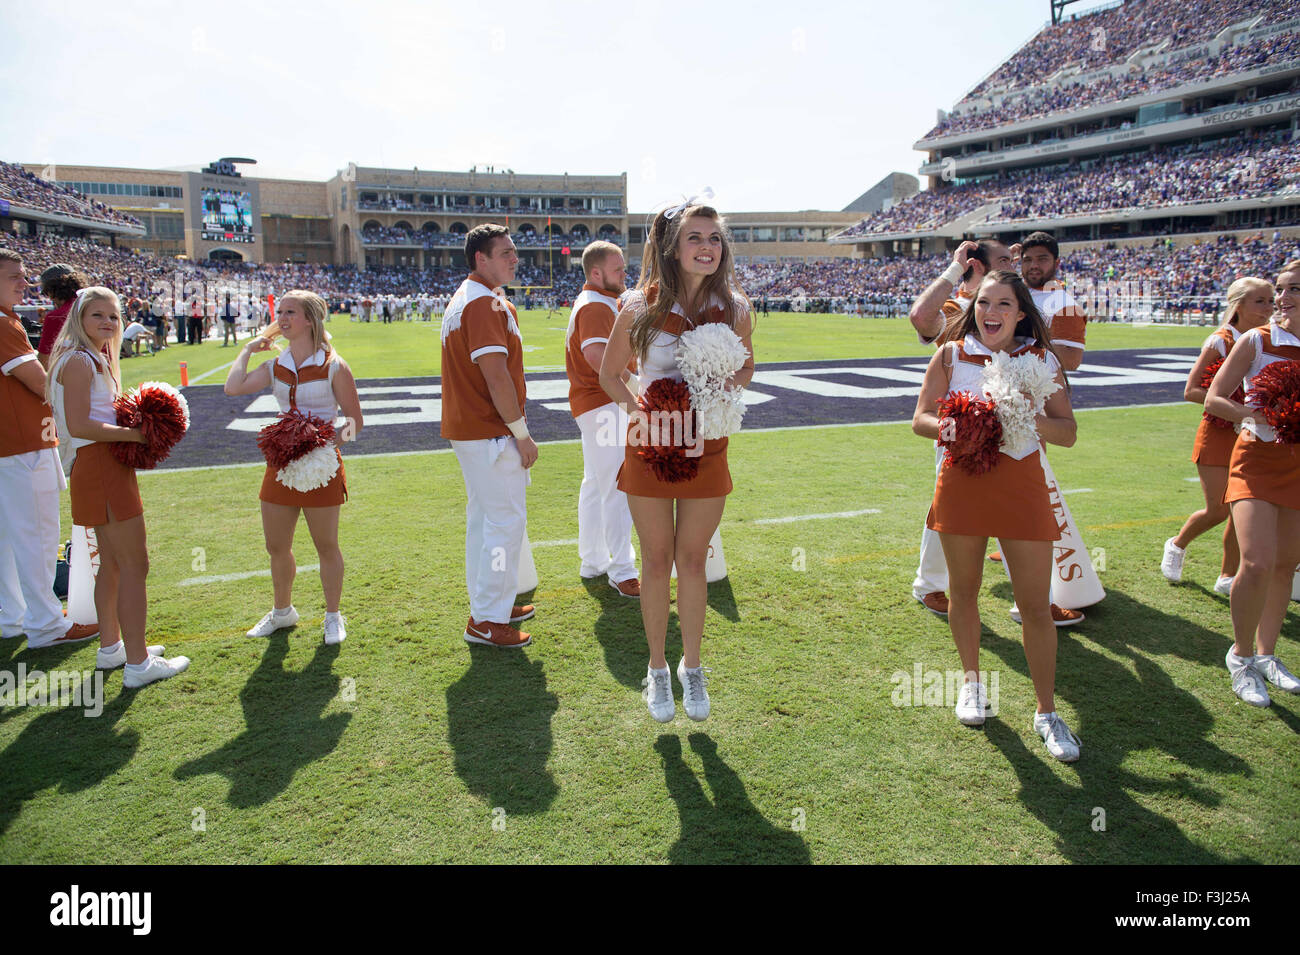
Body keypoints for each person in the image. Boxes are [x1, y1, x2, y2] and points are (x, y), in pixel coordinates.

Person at [912, 270, 1081, 761]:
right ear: (974, 308)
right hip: (963, 483)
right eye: (985, 302)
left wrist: (1025, 415)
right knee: (963, 593)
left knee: (1034, 605)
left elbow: (1068, 433)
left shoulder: (1042, 359)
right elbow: (921, 418)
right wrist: (960, 429)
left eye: (1004, 304)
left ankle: (1046, 710)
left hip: (1022, 488)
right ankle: (971, 683)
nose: (992, 312)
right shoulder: (950, 354)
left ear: (1021, 313)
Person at [599, 202, 754, 723]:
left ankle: (693, 666)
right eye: (695, 237)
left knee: (694, 560)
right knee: (656, 560)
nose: (707, 246)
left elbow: (745, 370)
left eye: (714, 237)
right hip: (651, 444)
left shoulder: (735, 307)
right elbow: (609, 374)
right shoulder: (638, 306)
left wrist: (718, 391)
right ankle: (657, 669)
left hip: (706, 445)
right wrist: (640, 411)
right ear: (672, 247)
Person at [46, 286, 188, 686]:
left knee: (110, 563)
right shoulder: (78, 360)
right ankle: (139, 664)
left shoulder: (90, 356)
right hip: (101, 463)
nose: (107, 323)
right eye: (97, 315)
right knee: (134, 565)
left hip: (98, 465)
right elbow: (79, 426)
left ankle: (112, 648)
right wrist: (138, 434)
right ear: (79, 318)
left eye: (112, 316)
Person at [224, 291, 362, 646]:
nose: (282, 318)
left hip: (321, 465)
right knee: (276, 545)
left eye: (291, 312)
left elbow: (354, 421)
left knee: (326, 545)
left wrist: (325, 447)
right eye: (279, 312)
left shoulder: (334, 365)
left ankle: (333, 616)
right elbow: (233, 387)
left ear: (310, 320)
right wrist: (247, 351)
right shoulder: (276, 365)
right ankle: (282, 611)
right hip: (281, 464)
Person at [1205, 260, 1300, 707]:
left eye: (1293, 289)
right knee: (1258, 562)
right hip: (1256, 459)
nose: (1283, 299)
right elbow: (1214, 398)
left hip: (1297, 464)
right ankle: (1240, 657)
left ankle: (1267, 655)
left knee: (1285, 566)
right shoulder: (1256, 340)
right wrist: (1253, 414)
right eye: (1280, 290)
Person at [440, 224, 537, 649]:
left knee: (485, 520)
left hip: (474, 429)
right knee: (504, 521)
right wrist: (522, 432)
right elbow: (496, 377)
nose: (514, 259)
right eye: (505, 253)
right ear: (481, 258)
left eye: (514, 252)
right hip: (489, 430)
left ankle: (489, 606)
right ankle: (487, 619)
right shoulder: (482, 303)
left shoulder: (476, 298)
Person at [907, 239, 1013, 617]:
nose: (1012, 264)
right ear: (977, 267)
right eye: (1003, 260)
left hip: (1014, 423)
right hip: (962, 428)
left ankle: (1035, 591)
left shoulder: (1018, 307)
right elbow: (921, 316)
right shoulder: (959, 308)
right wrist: (955, 270)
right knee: (949, 504)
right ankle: (931, 584)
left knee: (1016, 499)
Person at [0, 249, 99, 649]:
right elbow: (37, 381)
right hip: (23, 442)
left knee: (10, 536)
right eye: (14, 276)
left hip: (11, 442)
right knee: (37, 534)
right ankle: (45, 623)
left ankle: (14, 614)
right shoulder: (5, 325)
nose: (24, 282)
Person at [1163, 277, 1273, 593]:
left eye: (1270, 301)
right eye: (1260, 301)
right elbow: (1192, 390)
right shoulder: (1221, 340)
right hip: (1218, 433)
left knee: (1243, 507)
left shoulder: (1269, 340)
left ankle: (1227, 575)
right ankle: (1178, 543)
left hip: (1254, 436)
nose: (1268, 308)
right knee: (1219, 508)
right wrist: (1235, 404)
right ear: (1238, 304)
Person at [565, 240, 639, 597]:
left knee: (596, 484)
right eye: (618, 268)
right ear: (596, 273)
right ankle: (622, 569)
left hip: (593, 405)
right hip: (603, 402)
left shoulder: (598, 301)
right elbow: (596, 356)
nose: (625, 273)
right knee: (616, 485)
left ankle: (593, 560)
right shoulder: (595, 305)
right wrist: (632, 382)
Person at [35, 263, 88, 369]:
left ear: (51, 290)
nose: (50, 298)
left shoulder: (56, 316)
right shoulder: (95, 307)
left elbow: (44, 361)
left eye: (47, 293)